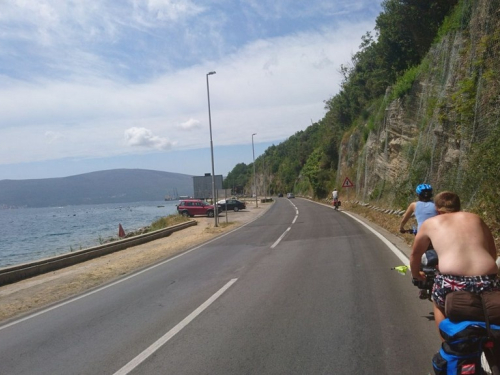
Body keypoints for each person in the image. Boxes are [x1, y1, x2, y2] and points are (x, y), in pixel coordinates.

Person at [410, 191, 500, 334]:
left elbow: (415, 254)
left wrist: (417, 274)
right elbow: (492, 252)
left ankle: (447, 343)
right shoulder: (476, 218)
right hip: (488, 280)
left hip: (452, 281)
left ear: (436, 209)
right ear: (459, 206)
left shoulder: (430, 223)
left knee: (438, 301)